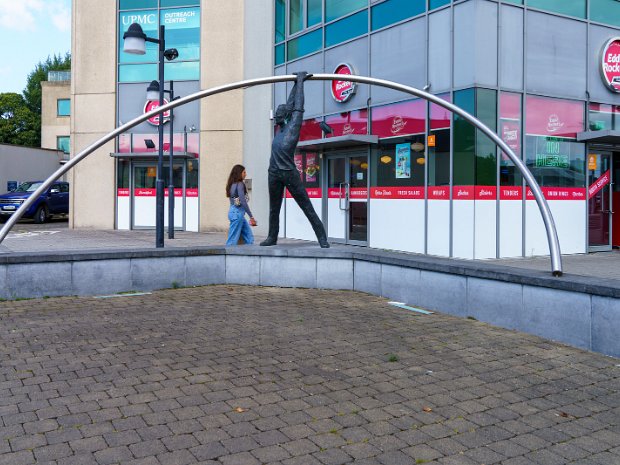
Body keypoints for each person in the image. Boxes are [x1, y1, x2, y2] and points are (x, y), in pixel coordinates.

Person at [260, 71, 329, 248]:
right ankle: (272, 237)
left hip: (289, 173)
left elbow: (297, 106)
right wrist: (295, 83)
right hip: (273, 173)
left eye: (278, 114)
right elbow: (290, 105)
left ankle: (322, 237)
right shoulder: (279, 129)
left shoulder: (293, 126)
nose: (276, 115)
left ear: (285, 116)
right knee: (274, 209)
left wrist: (300, 81)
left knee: (306, 206)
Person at [225, 164, 256, 246]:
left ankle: (248, 256)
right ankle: (229, 257)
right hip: (237, 214)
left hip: (235, 213)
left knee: (249, 238)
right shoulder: (240, 184)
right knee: (232, 241)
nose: (245, 174)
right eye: (244, 172)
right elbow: (243, 201)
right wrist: (251, 216)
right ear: (239, 173)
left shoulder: (231, 184)